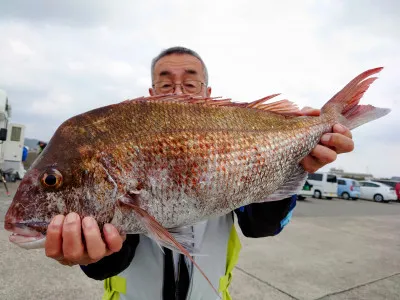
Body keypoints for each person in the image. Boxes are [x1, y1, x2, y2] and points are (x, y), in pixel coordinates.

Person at [44, 47, 354, 299]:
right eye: (165, 84)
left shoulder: (231, 139)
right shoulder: (127, 147)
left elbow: (260, 226)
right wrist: (92, 253)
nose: (178, 90)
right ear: (151, 95)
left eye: (190, 83)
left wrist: (299, 162)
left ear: (208, 92)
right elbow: (110, 262)